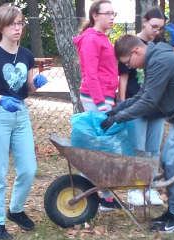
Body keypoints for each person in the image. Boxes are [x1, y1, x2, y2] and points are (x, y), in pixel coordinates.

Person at [100, 34, 174, 233]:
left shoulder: (160, 61)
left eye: (128, 62)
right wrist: (116, 111)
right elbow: (142, 95)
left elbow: (149, 102)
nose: (129, 67)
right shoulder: (155, 59)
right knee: (171, 160)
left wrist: (119, 118)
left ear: (136, 51)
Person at [0, 4, 48, 240]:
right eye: (12, 24)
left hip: (20, 115)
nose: (17, 28)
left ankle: (15, 211)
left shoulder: (26, 55)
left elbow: (26, 90)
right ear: (1, 27)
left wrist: (35, 84)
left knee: (28, 169)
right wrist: (1, 100)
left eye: (20, 24)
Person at [118, 8, 174, 207]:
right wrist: (121, 102)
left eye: (160, 28)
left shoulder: (161, 45)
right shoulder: (130, 44)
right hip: (136, 104)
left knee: (153, 150)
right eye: (154, 26)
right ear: (144, 22)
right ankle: (134, 189)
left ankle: (150, 187)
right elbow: (124, 77)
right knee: (138, 149)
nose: (156, 31)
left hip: (157, 107)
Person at [73, 0, 121, 212]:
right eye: (107, 13)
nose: (111, 17)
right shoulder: (91, 39)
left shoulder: (101, 37)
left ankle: (107, 198)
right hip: (96, 100)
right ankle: (87, 195)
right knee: (97, 149)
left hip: (105, 97)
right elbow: (90, 75)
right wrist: (102, 104)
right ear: (95, 15)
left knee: (103, 148)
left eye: (114, 13)